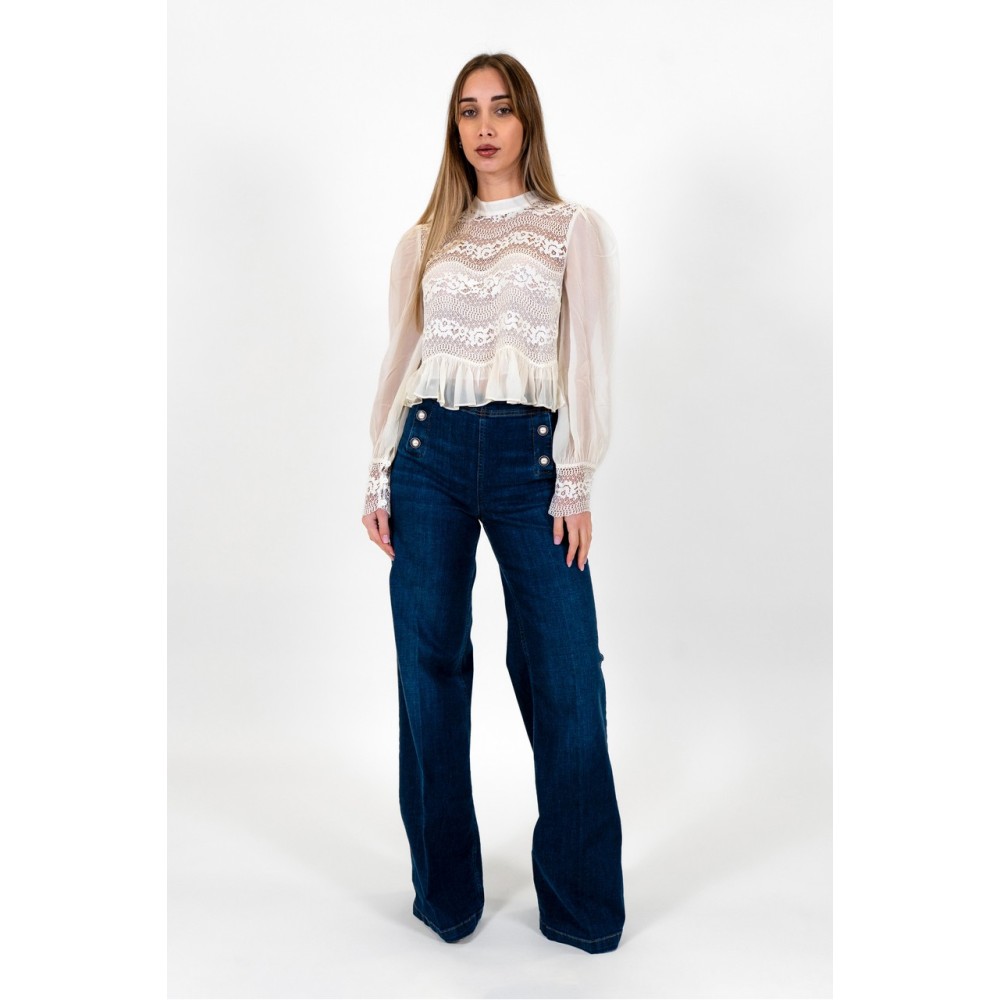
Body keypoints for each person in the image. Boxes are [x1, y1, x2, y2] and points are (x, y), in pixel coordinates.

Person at [361, 52, 624, 954]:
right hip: (427, 457)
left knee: (565, 673)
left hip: (530, 461)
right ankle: (446, 896)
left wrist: (575, 475)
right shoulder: (425, 240)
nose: (484, 126)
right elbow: (403, 357)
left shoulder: (568, 229)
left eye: (500, 108)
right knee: (428, 668)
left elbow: (587, 356)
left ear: (526, 122)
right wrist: (379, 467)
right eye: (469, 110)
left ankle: (582, 906)